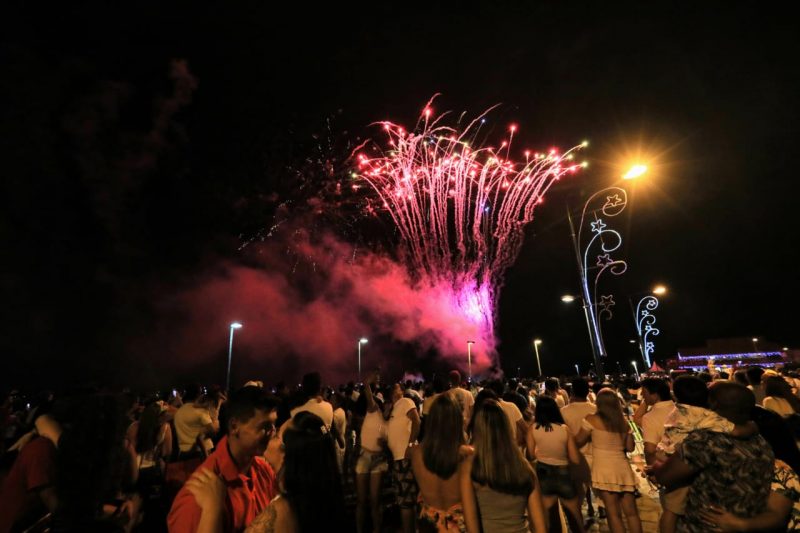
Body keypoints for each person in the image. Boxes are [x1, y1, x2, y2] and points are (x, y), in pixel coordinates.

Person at [651, 382, 775, 532]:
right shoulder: (759, 440)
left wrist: (656, 467)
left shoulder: (706, 440)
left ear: (713, 404)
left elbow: (665, 476)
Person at [168, 387, 279, 533]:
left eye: (273, 425)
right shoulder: (197, 500)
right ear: (234, 426)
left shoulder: (263, 471)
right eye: (264, 426)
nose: (272, 433)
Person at [461, 400, 546, 532]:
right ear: (506, 428)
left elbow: (471, 524)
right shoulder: (524, 468)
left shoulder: (471, 467)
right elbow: (541, 527)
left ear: (478, 430)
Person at [576, 389, 642, 533]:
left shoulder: (591, 419)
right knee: (632, 513)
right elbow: (630, 448)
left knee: (613, 514)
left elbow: (578, 441)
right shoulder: (623, 422)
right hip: (623, 468)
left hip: (603, 469)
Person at [412, 393, 471, 532]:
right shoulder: (467, 456)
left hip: (430, 525)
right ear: (456, 421)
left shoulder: (416, 454)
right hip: (459, 524)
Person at [526, 396, 585, 533]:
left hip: (543, 473)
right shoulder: (564, 429)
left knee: (551, 519)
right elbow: (575, 459)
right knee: (575, 517)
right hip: (564, 473)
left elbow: (530, 455)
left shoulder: (532, 429)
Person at [560, 377, 598, 520]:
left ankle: (580, 519)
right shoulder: (596, 409)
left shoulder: (564, 411)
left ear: (572, 391)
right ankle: (598, 507)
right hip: (596, 454)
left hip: (575, 457)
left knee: (578, 490)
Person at [355, 373, 388, 533]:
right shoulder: (374, 409)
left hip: (379, 459)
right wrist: (373, 378)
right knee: (362, 501)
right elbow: (367, 389)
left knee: (375, 501)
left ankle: (376, 530)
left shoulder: (391, 421)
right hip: (365, 457)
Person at [387, 381, 421, 533]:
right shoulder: (394, 408)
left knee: (406, 501)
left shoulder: (406, 401)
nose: (396, 386)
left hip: (405, 457)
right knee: (406, 500)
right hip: (398, 458)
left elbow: (416, 421)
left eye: (397, 385)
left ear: (400, 391)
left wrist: (411, 444)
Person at [633, 377, 673, 466]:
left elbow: (650, 450)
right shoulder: (678, 408)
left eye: (644, 392)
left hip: (666, 464)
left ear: (655, 394)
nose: (642, 395)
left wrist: (653, 471)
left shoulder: (650, 417)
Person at [174, 384, 219, 459]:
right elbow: (213, 431)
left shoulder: (182, 410)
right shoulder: (201, 412)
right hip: (199, 451)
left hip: (187, 450)